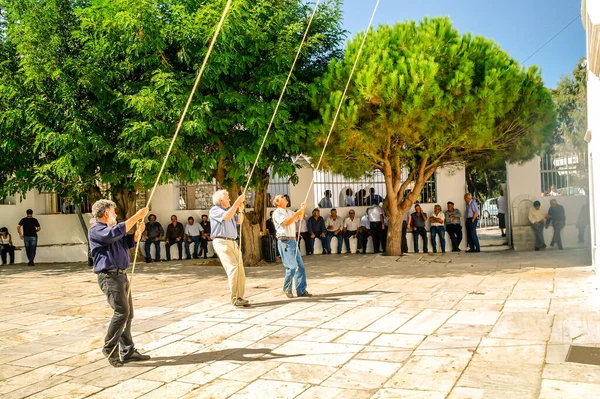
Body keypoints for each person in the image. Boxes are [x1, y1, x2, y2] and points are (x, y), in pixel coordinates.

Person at [88, 200, 151, 367]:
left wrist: (136, 234)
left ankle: (128, 351)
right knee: (121, 312)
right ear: (106, 213)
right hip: (109, 277)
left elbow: (125, 241)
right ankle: (109, 347)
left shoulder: (110, 231)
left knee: (128, 314)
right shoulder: (96, 229)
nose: (116, 214)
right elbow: (113, 234)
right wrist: (136, 216)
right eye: (113, 211)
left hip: (121, 276)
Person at [210, 190, 250, 307]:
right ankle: (235, 298)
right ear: (220, 200)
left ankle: (240, 296)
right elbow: (227, 217)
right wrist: (237, 203)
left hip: (233, 242)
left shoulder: (230, 210)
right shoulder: (215, 210)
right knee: (233, 268)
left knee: (240, 269)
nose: (230, 200)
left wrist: (241, 210)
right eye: (227, 198)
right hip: (222, 241)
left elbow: (239, 221)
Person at [272, 194, 312, 298]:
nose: (285, 197)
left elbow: (300, 217)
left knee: (300, 267)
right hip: (285, 241)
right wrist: (297, 213)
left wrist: (302, 209)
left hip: (293, 241)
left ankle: (301, 290)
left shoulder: (289, 211)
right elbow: (286, 222)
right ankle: (287, 288)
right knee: (292, 266)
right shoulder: (278, 212)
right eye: (281, 197)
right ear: (277, 202)